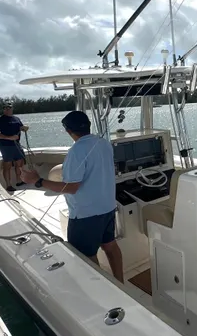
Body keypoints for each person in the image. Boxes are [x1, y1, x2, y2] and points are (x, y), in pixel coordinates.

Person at [20, 111, 124, 282]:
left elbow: (71, 187)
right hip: (107, 208)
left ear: (68, 131)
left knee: (87, 258)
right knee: (110, 246)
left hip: (86, 215)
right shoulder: (104, 143)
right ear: (88, 125)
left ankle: (101, 292)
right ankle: (120, 283)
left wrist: (37, 181)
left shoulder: (76, 151)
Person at [0, 101, 29, 192]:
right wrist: (9, 138)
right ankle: (8, 185)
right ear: (3, 109)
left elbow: (20, 127)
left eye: (10, 108)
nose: (8, 109)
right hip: (6, 146)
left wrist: (24, 128)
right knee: (7, 165)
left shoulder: (16, 118)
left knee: (19, 163)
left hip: (17, 145)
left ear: (12, 108)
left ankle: (19, 181)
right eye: (6, 108)